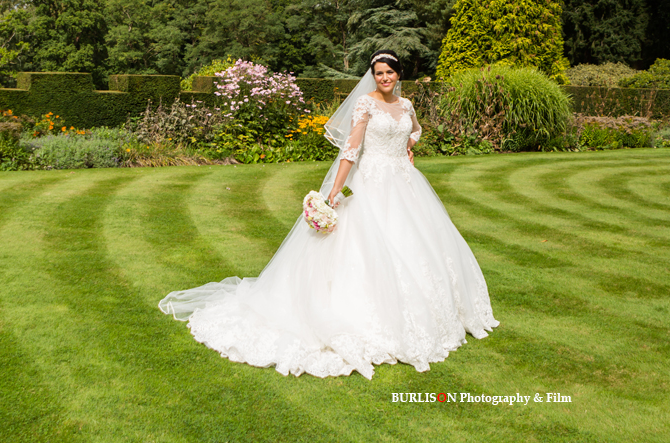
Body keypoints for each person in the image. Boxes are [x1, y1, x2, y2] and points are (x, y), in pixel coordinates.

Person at [158, 50, 498, 379]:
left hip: (405, 183)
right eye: (378, 73)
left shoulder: (406, 104)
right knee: (366, 246)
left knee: (418, 242)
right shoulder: (365, 104)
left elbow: (414, 131)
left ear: (398, 75)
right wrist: (335, 190)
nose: (384, 78)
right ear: (372, 76)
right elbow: (351, 148)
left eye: (389, 73)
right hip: (370, 182)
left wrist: (406, 149)